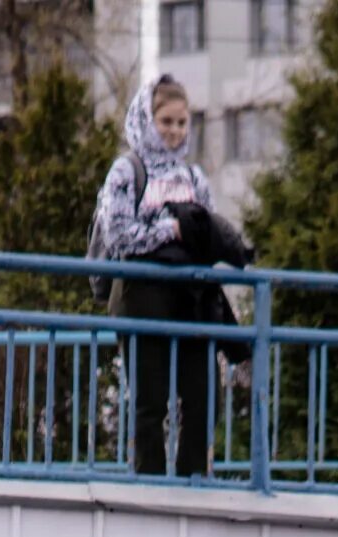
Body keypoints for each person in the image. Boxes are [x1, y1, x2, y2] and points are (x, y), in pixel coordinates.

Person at [91, 77, 233, 479]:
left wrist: (197, 235)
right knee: (150, 401)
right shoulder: (127, 171)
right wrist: (172, 230)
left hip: (190, 297)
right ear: (147, 120)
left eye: (181, 123)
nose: (173, 131)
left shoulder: (194, 178)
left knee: (204, 395)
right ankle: (148, 483)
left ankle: (193, 480)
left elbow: (207, 232)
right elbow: (118, 235)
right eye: (165, 121)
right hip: (141, 295)